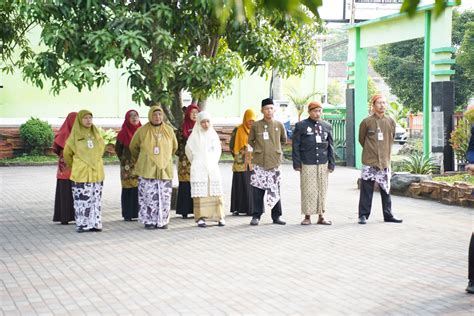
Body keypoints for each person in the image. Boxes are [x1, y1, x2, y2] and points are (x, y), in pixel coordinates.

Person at [130, 106, 178, 229]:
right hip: (147, 169)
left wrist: (164, 157)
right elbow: (133, 147)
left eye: (160, 115)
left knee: (164, 196)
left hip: (164, 169)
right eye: (155, 115)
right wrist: (144, 158)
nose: (157, 117)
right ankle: (149, 221)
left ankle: (163, 221)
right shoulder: (142, 131)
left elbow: (174, 147)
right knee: (149, 196)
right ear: (150, 116)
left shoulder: (169, 130)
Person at [357, 95, 402, 225]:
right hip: (369, 162)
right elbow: (361, 139)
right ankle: (363, 215)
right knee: (366, 190)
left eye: (384, 103)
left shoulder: (390, 121)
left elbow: (391, 138)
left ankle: (388, 215)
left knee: (386, 189)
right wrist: (371, 150)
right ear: (373, 105)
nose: (382, 105)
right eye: (379, 103)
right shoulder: (366, 122)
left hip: (385, 161)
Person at [292, 101, 335, 225]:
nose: (318, 114)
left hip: (323, 162)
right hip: (307, 162)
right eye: (315, 111)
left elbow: (330, 146)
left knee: (322, 189)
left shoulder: (327, 126)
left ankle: (322, 216)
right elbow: (296, 146)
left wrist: (331, 163)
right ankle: (307, 216)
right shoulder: (301, 126)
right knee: (308, 190)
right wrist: (297, 163)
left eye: (320, 111)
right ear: (309, 112)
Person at [63, 110, 105, 233]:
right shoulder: (74, 136)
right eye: (85, 118)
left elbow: (101, 149)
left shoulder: (96, 134)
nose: (88, 120)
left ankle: (95, 223)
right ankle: (82, 224)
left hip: (96, 172)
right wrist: (77, 165)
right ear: (79, 120)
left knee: (95, 199)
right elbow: (67, 154)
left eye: (90, 118)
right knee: (82, 200)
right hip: (81, 173)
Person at [248, 98, 287, 226]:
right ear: (262, 110)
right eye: (266, 109)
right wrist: (258, 150)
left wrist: (275, 150)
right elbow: (250, 141)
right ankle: (256, 215)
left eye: (271, 108)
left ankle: (277, 216)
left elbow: (283, 140)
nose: (269, 111)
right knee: (257, 190)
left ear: (274, 109)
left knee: (275, 189)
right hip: (259, 162)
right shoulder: (256, 125)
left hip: (274, 162)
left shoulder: (279, 125)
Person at [185, 111, 225, 228]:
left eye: (208, 121)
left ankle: (219, 216)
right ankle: (200, 218)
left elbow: (218, 151)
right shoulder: (194, 136)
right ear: (198, 123)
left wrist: (212, 163)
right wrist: (197, 162)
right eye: (203, 122)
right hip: (199, 168)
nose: (206, 124)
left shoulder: (213, 135)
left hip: (212, 168)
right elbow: (189, 152)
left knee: (216, 192)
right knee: (201, 194)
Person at [115, 109, 142, 221]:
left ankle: (140, 213)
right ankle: (128, 214)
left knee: (140, 188)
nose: (134, 118)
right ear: (127, 119)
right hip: (127, 167)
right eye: (131, 116)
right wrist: (125, 161)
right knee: (128, 188)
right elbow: (118, 149)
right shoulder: (123, 133)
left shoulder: (143, 131)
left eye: (136, 116)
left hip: (141, 165)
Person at [229, 108, 257, 216]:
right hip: (240, 163)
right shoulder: (238, 129)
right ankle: (237, 208)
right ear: (245, 119)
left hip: (252, 163)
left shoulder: (256, 130)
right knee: (240, 185)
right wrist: (239, 156)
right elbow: (232, 146)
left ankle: (251, 208)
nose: (251, 123)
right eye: (249, 120)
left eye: (253, 121)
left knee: (251, 185)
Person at [52, 112, 77, 225]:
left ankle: (65, 217)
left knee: (67, 193)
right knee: (67, 192)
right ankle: (66, 217)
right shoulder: (69, 134)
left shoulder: (78, 134)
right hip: (67, 169)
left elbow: (56, 150)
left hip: (67, 169)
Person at [176, 104, 200, 219]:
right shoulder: (182, 127)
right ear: (188, 114)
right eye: (192, 113)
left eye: (196, 112)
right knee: (185, 184)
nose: (195, 115)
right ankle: (184, 210)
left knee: (197, 183)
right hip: (185, 160)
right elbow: (176, 144)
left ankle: (197, 209)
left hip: (198, 159)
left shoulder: (201, 126)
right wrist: (183, 155)